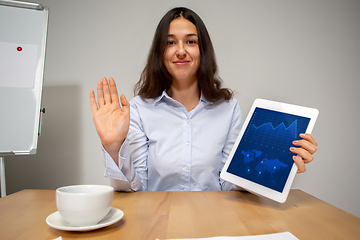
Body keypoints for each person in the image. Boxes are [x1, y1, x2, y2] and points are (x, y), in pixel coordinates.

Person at [89, 7, 318, 192]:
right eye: (170, 42)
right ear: (160, 52)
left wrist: (277, 166)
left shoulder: (229, 108)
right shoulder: (139, 109)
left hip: (214, 222)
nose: (180, 51)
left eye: (190, 41)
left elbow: (228, 184)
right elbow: (137, 188)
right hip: (159, 221)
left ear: (203, 50)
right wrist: (112, 146)